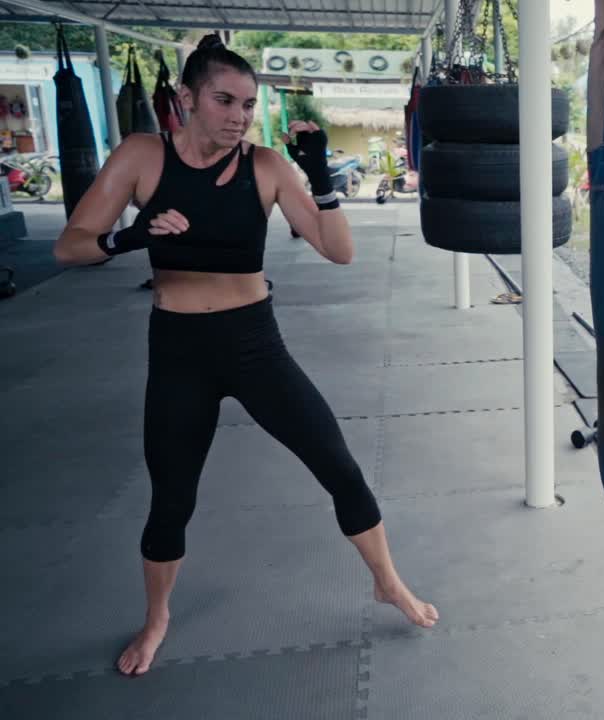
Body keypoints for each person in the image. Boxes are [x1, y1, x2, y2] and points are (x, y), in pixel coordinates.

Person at [52, 34, 438, 678]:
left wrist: (319, 179)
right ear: (187, 99)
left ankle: (387, 583)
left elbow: (337, 251)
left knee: (339, 466)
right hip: (178, 350)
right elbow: (70, 247)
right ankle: (157, 619)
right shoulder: (143, 157)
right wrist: (130, 236)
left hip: (255, 345)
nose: (238, 116)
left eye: (248, 104)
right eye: (224, 100)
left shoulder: (265, 167)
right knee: (171, 498)